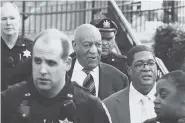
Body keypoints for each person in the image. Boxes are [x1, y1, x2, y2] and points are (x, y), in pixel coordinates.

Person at [1, 29, 112, 123]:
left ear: (67, 64)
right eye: (38, 61)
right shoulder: (8, 101)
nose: (43, 70)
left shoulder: (90, 107)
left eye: (51, 63)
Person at [68, 23, 128, 100]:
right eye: (87, 45)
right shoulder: (62, 73)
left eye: (98, 45)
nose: (93, 51)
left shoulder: (119, 79)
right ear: (74, 45)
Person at [104, 45, 158, 123]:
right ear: (129, 70)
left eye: (151, 63)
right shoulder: (109, 105)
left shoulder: (174, 100)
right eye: (139, 64)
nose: (146, 68)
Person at [1, 2, 33, 91]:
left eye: (12, 18)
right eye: (3, 19)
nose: (8, 22)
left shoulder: (32, 47)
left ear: (19, 21)